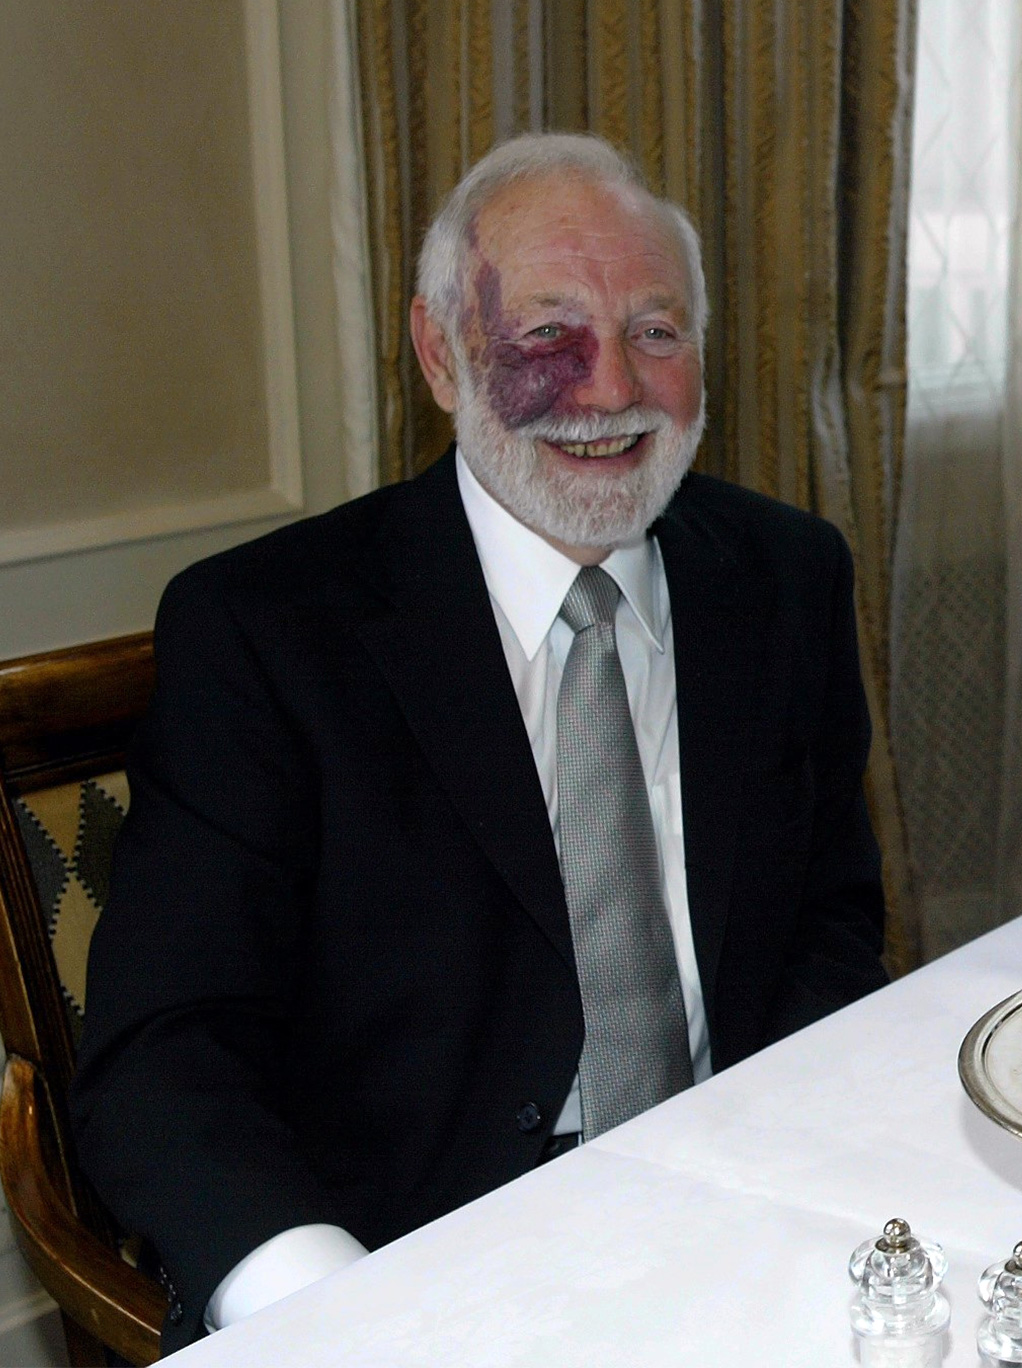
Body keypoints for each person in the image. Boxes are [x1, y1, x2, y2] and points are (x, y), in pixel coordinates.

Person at [72, 133, 888, 1350]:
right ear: (441, 355)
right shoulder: (267, 630)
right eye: (546, 335)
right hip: (402, 1256)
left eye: (656, 333)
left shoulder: (781, 575)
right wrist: (339, 1306)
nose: (609, 388)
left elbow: (829, 919)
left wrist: (775, 1161)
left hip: (739, 1223)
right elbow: (163, 1053)